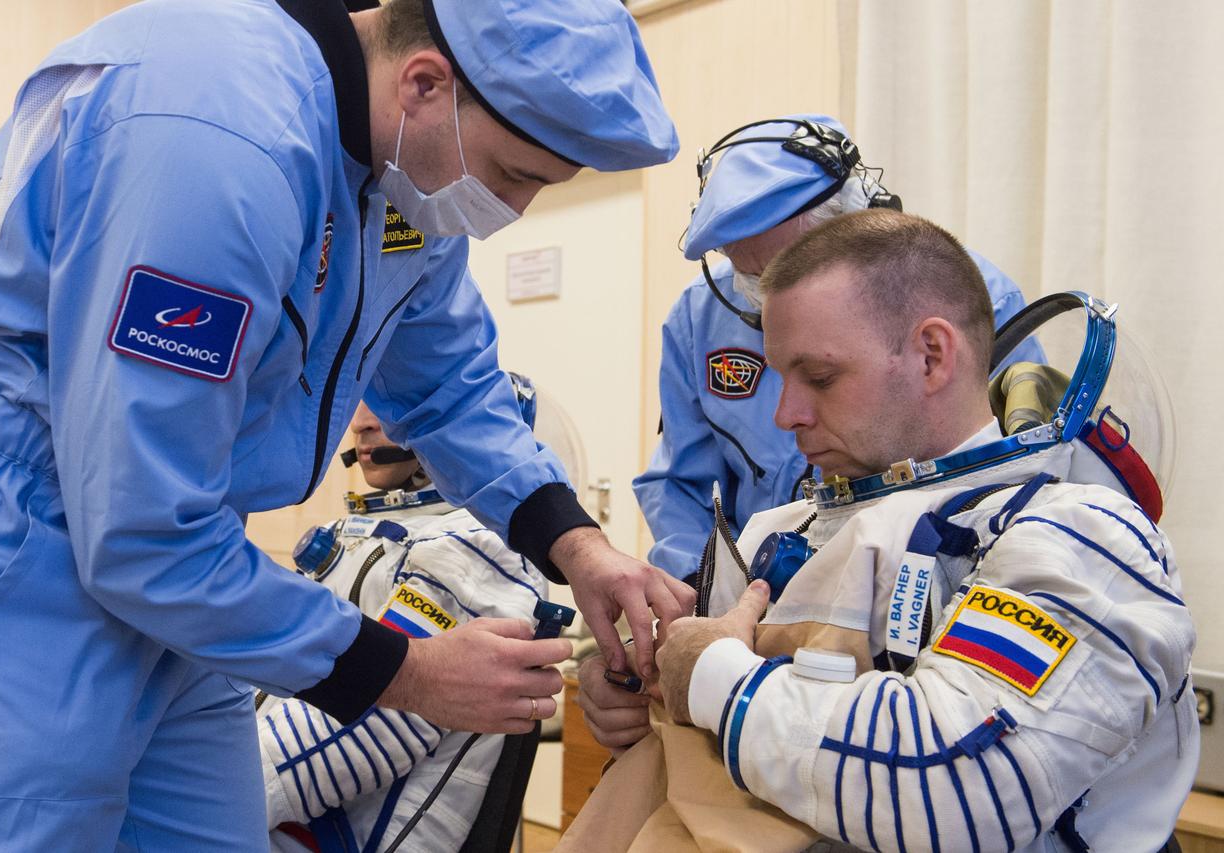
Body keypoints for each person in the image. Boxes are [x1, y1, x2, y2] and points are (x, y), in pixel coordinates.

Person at [0, 0, 694, 847]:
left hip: (190, 564)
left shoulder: (402, 175)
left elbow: (449, 381)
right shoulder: (216, 143)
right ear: (424, 84)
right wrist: (407, 672)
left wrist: (578, 546)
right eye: (514, 174)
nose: (513, 209)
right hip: (17, 541)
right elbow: (139, 519)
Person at [586, 210, 1197, 851]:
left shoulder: (1077, 535)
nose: (786, 414)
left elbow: (960, 789)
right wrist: (631, 689)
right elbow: (685, 675)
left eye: (819, 378)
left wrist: (714, 679)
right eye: (781, 377)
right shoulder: (783, 526)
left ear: (932, 355)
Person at [633, 115, 1040, 580]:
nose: (765, 299)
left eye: (822, 377)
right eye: (749, 275)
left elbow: (1016, 464)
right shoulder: (700, 315)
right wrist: (703, 591)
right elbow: (682, 484)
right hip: (756, 586)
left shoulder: (967, 296)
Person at [260, 375, 558, 852]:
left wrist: (215, 790)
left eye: (385, 403)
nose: (359, 423)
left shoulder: (475, 548)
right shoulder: (382, 533)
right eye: (362, 400)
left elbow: (373, 721)